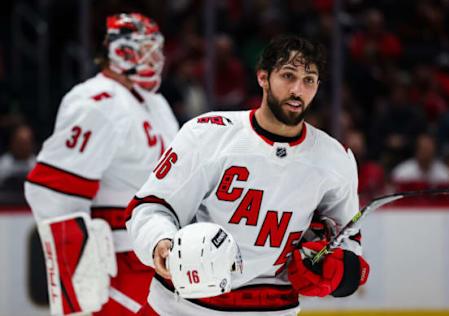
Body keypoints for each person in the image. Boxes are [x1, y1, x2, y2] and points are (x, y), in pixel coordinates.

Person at [126, 35, 370, 316]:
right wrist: (160, 241)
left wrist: (336, 272)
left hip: (272, 308)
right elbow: (151, 208)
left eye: (309, 80)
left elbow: (346, 240)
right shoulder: (208, 133)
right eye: (288, 76)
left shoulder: (335, 159)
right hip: (181, 306)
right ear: (263, 77)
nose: (297, 89)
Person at [24, 13, 179, 315]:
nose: (157, 58)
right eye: (147, 49)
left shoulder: (155, 102)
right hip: (120, 262)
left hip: (162, 252)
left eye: (157, 50)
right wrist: (76, 262)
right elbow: (52, 187)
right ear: (121, 53)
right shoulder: (97, 100)